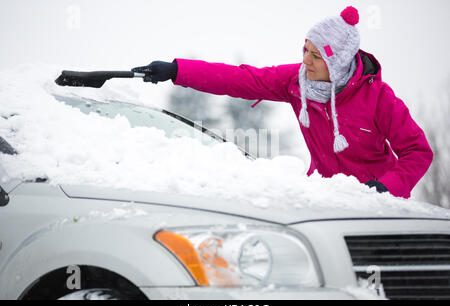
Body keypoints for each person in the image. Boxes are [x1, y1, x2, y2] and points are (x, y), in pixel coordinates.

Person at [132, 6, 433, 199]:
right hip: (328, 200)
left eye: (316, 56)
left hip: (379, 204)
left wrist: (384, 189)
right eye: (305, 50)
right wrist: (176, 70)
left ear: (338, 63)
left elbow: (418, 152)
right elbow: (239, 79)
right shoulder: (296, 81)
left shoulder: (378, 98)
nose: (306, 61)